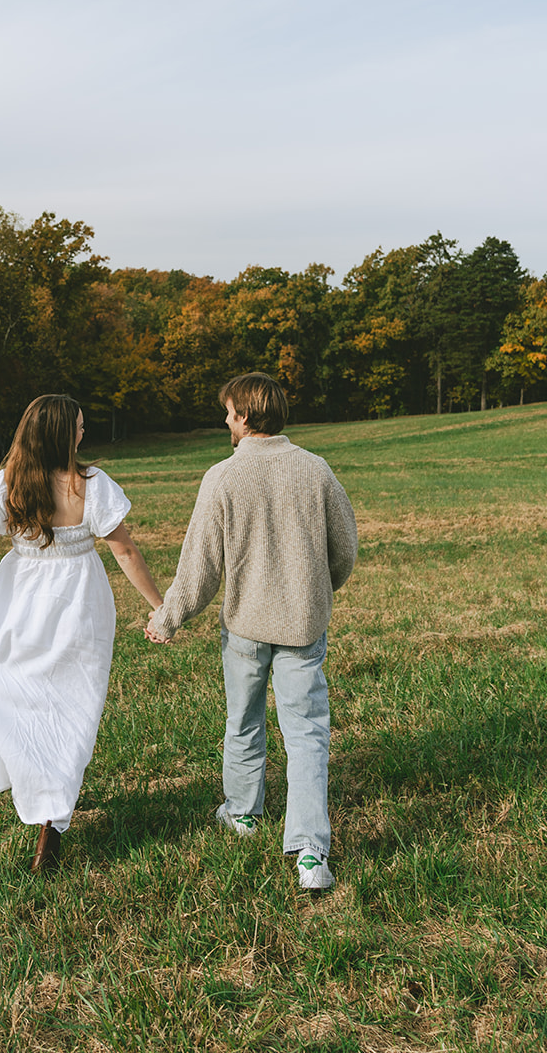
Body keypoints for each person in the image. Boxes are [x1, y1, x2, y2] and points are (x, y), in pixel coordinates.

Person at [0, 394, 163, 875]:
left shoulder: (6, 485)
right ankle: (49, 819)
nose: (83, 432)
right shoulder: (91, 487)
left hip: (21, 600)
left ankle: (45, 808)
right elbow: (125, 553)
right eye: (77, 426)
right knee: (70, 709)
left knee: (27, 700)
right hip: (78, 603)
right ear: (58, 433)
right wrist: (161, 609)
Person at [145, 373, 357, 893]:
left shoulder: (222, 477)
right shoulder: (316, 470)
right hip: (302, 624)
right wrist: (317, 589)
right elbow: (345, 548)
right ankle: (311, 852)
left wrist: (167, 617)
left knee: (243, 721)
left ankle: (242, 815)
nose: (224, 420)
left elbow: (200, 567)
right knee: (307, 734)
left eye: (228, 412)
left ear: (244, 415)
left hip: (244, 626)